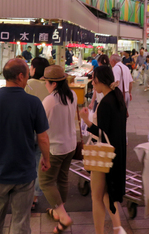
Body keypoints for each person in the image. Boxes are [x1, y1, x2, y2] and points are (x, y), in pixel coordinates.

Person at [0, 58, 51, 234]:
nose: (27, 79)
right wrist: (46, 159)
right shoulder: (33, 103)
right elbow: (43, 138)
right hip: (24, 172)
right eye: (26, 75)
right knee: (21, 223)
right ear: (20, 76)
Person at [79, 66, 128, 234]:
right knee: (108, 192)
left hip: (103, 155)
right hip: (116, 153)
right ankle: (117, 228)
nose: (93, 83)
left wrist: (86, 121)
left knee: (96, 197)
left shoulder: (106, 102)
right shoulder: (117, 97)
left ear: (99, 80)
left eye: (93, 79)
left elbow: (102, 134)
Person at [39, 65, 77, 234]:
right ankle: (57, 211)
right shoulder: (73, 95)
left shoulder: (49, 101)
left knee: (46, 182)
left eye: (46, 82)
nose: (45, 85)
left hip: (55, 148)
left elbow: (40, 126)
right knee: (62, 179)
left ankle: (63, 216)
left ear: (53, 84)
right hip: (70, 145)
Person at [24, 56, 50, 210]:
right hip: (43, 130)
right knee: (39, 162)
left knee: (26, 161)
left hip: (27, 129)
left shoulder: (28, 84)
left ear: (34, 69)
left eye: (31, 66)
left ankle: (24, 194)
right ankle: (34, 198)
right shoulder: (49, 86)